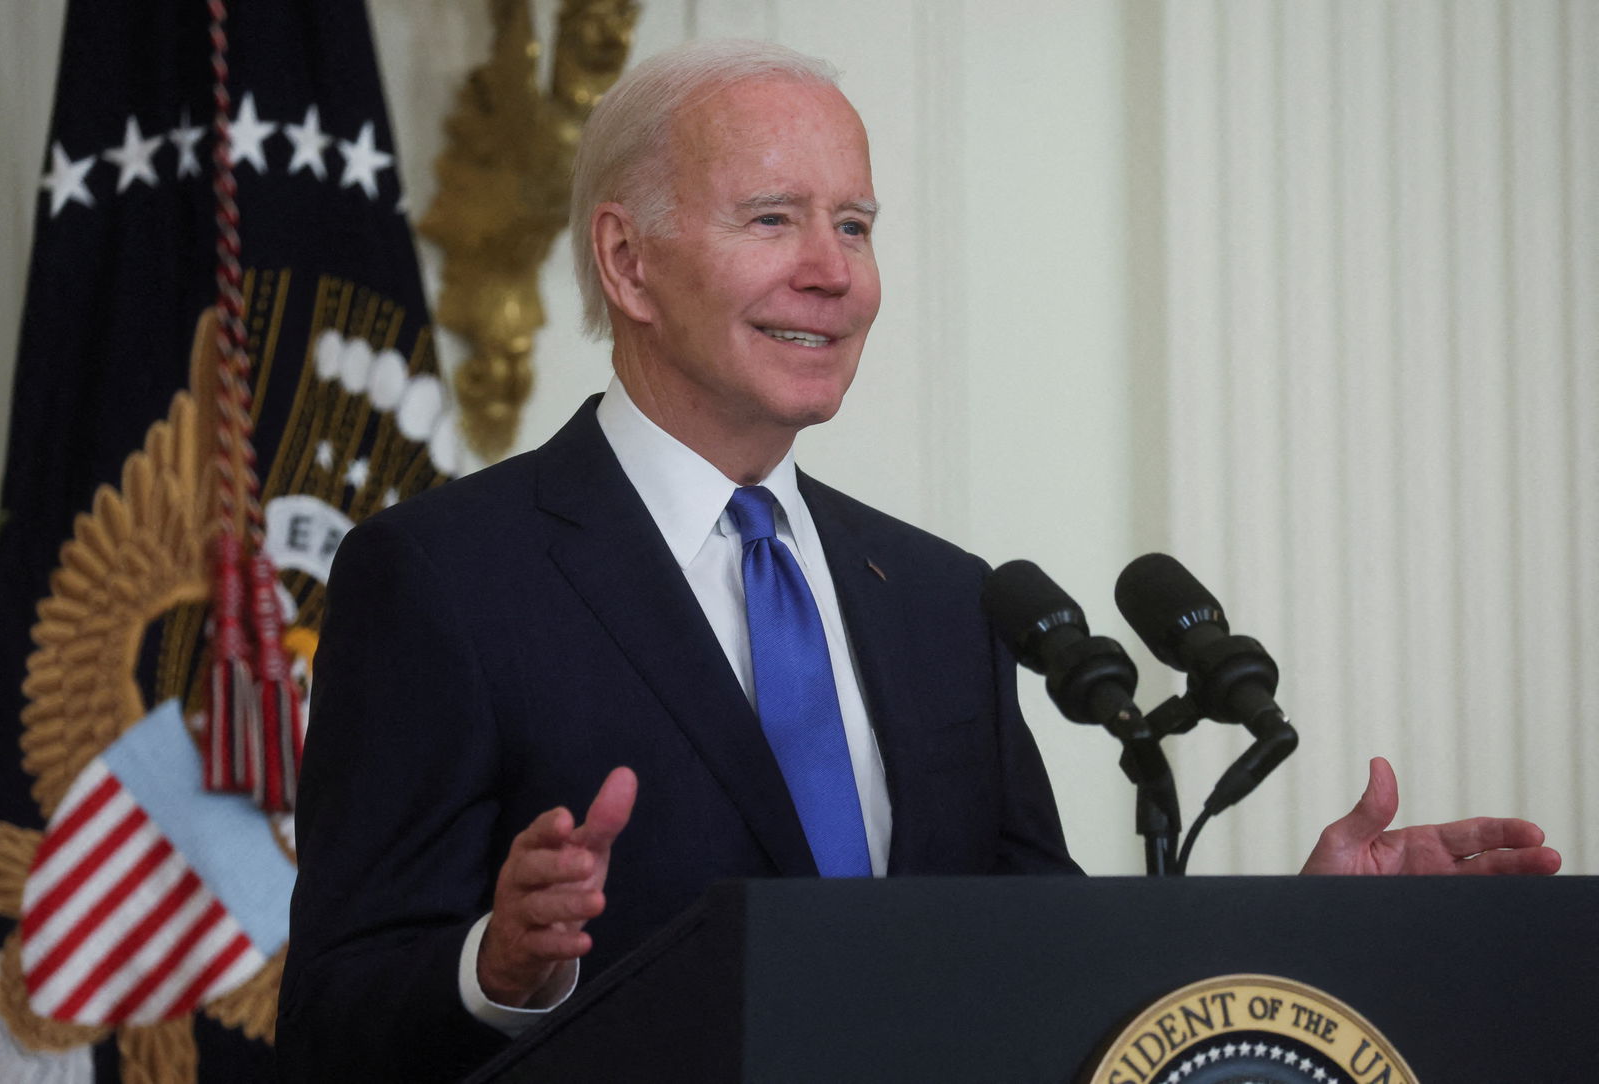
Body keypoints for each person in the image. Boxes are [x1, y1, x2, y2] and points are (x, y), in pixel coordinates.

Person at [275, 40, 1559, 1082]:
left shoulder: (944, 597)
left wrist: (1309, 926)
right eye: (774, 219)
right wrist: (499, 968)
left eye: (856, 223)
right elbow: (332, 1022)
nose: (832, 273)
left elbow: (1046, 971)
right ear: (629, 261)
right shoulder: (445, 578)